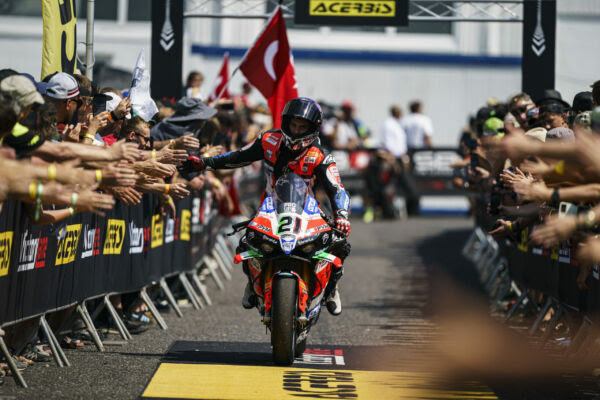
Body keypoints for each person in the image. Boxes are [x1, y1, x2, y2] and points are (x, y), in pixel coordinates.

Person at [182, 97, 351, 315]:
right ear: (285, 122)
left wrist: (342, 216)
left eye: (302, 127)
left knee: (339, 243)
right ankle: (252, 283)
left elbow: (337, 189)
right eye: (293, 125)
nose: (296, 131)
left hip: (308, 210)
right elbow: (239, 156)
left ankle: (332, 288)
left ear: (313, 128)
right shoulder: (269, 139)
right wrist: (205, 163)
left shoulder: (321, 156)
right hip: (270, 207)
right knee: (247, 240)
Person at [380, 104, 420, 216]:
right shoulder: (388, 125)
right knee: (390, 187)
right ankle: (389, 212)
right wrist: (392, 161)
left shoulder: (398, 124)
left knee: (405, 187)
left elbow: (401, 144)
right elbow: (388, 144)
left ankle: (407, 211)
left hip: (400, 158)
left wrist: (405, 159)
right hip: (393, 159)